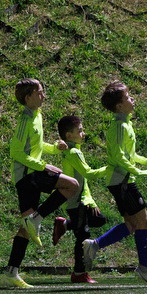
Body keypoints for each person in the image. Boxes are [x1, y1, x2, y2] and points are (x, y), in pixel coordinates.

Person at [2, 78, 83, 289]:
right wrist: (44, 167)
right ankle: (37, 219)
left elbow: (35, 146)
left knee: (25, 229)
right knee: (73, 185)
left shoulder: (37, 116)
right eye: (39, 93)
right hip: (28, 176)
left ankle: (11, 273)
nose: (44, 95)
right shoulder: (24, 121)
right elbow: (16, 152)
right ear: (28, 98)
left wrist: (55, 148)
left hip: (33, 173)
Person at [80, 81, 147, 286]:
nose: (132, 99)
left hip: (122, 180)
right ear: (118, 106)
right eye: (127, 97)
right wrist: (136, 169)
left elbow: (129, 154)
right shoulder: (119, 126)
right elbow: (118, 156)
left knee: (132, 224)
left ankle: (95, 245)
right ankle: (144, 268)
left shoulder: (125, 124)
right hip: (122, 181)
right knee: (144, 222)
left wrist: (144, 161)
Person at [52, 114, 107, 283]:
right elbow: (89, 173)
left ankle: (65, 224)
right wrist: (112, 167)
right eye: (80, 131)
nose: (83, 134)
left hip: (80, 201)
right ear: (69, 135)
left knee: (98, 219)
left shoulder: (73, 150)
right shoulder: (74, 152)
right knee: (83, 237)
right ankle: (78, 273)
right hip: (76, 202)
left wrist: (90, 200)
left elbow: (83, 180)